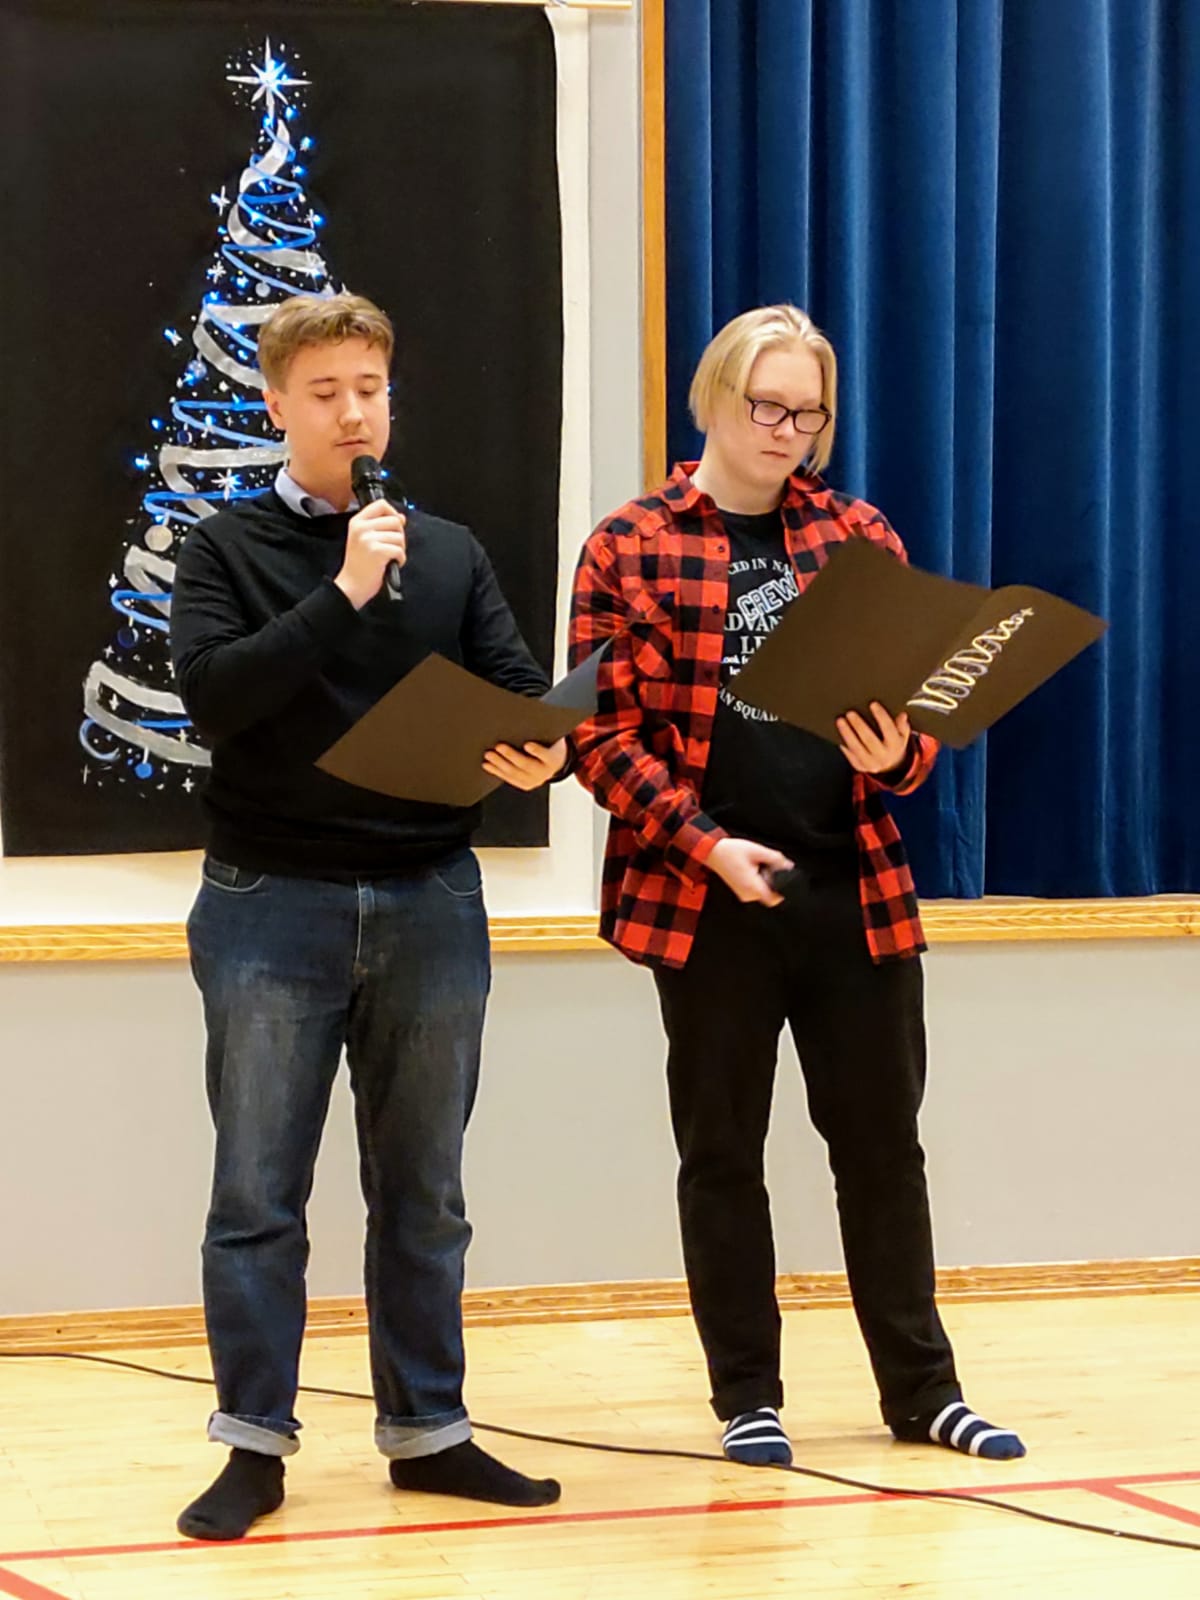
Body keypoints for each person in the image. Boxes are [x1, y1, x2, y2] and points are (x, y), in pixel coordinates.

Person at [568, 304, 1024, 1469]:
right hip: (708, 894)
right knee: (722, 1152)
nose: (784, 431)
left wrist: (899, 752)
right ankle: (748, 1396)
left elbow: (918, 719)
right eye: (765, 405)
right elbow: (601, 739)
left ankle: (923, 1391)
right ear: (715, 399)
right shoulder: (631, 543)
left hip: (852, 887)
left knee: (883, 1147)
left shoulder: (857, 535)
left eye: (807, 414)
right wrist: (706, 842)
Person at [170, 292, 566, 1540]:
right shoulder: (223, 548)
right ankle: (253, 1443)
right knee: (257, 1192)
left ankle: (429, 1431)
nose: (355, 413)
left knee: (425, 1189)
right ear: (276, 405)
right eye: (327, 392)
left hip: (429, 897)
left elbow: (517, 689)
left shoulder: (446, 551)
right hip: (268, 902)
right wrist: (341, 591)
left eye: (372, 389)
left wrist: (540, 750)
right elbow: (215, 698)